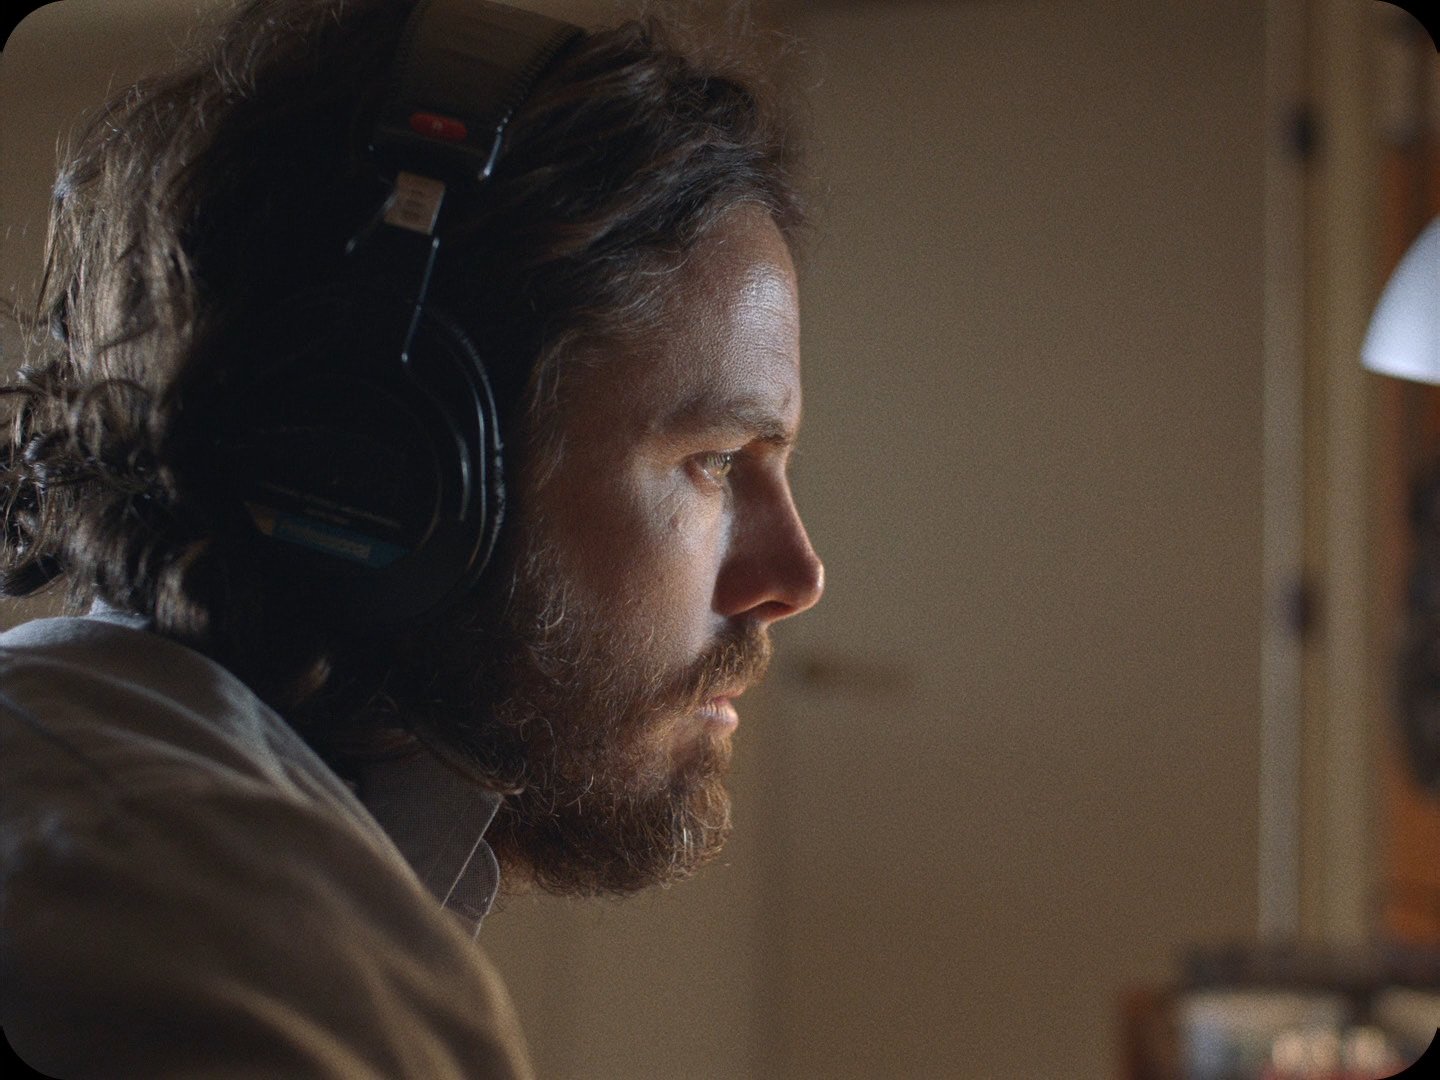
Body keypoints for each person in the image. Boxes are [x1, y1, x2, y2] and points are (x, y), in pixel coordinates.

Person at [0, 0, 823, 1075]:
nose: (794, 575)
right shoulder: (215, 952)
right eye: (714, 460)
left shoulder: (121, 801)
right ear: (381, 458)